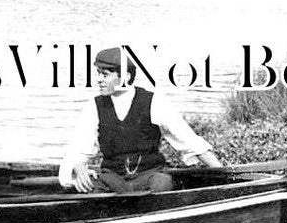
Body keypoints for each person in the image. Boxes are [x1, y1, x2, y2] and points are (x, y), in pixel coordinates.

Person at [59, 47, 222, 193]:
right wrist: (79, 169)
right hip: (112, 179)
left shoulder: (154, 101)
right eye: (98, 74)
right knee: (87, 188)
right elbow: (78, 149)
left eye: (105, 75)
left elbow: (188, 140)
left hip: (149, 176)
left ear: (125, 77)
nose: (99, 80)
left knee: (162, 184)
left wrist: (224, 174)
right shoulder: (93, 106)